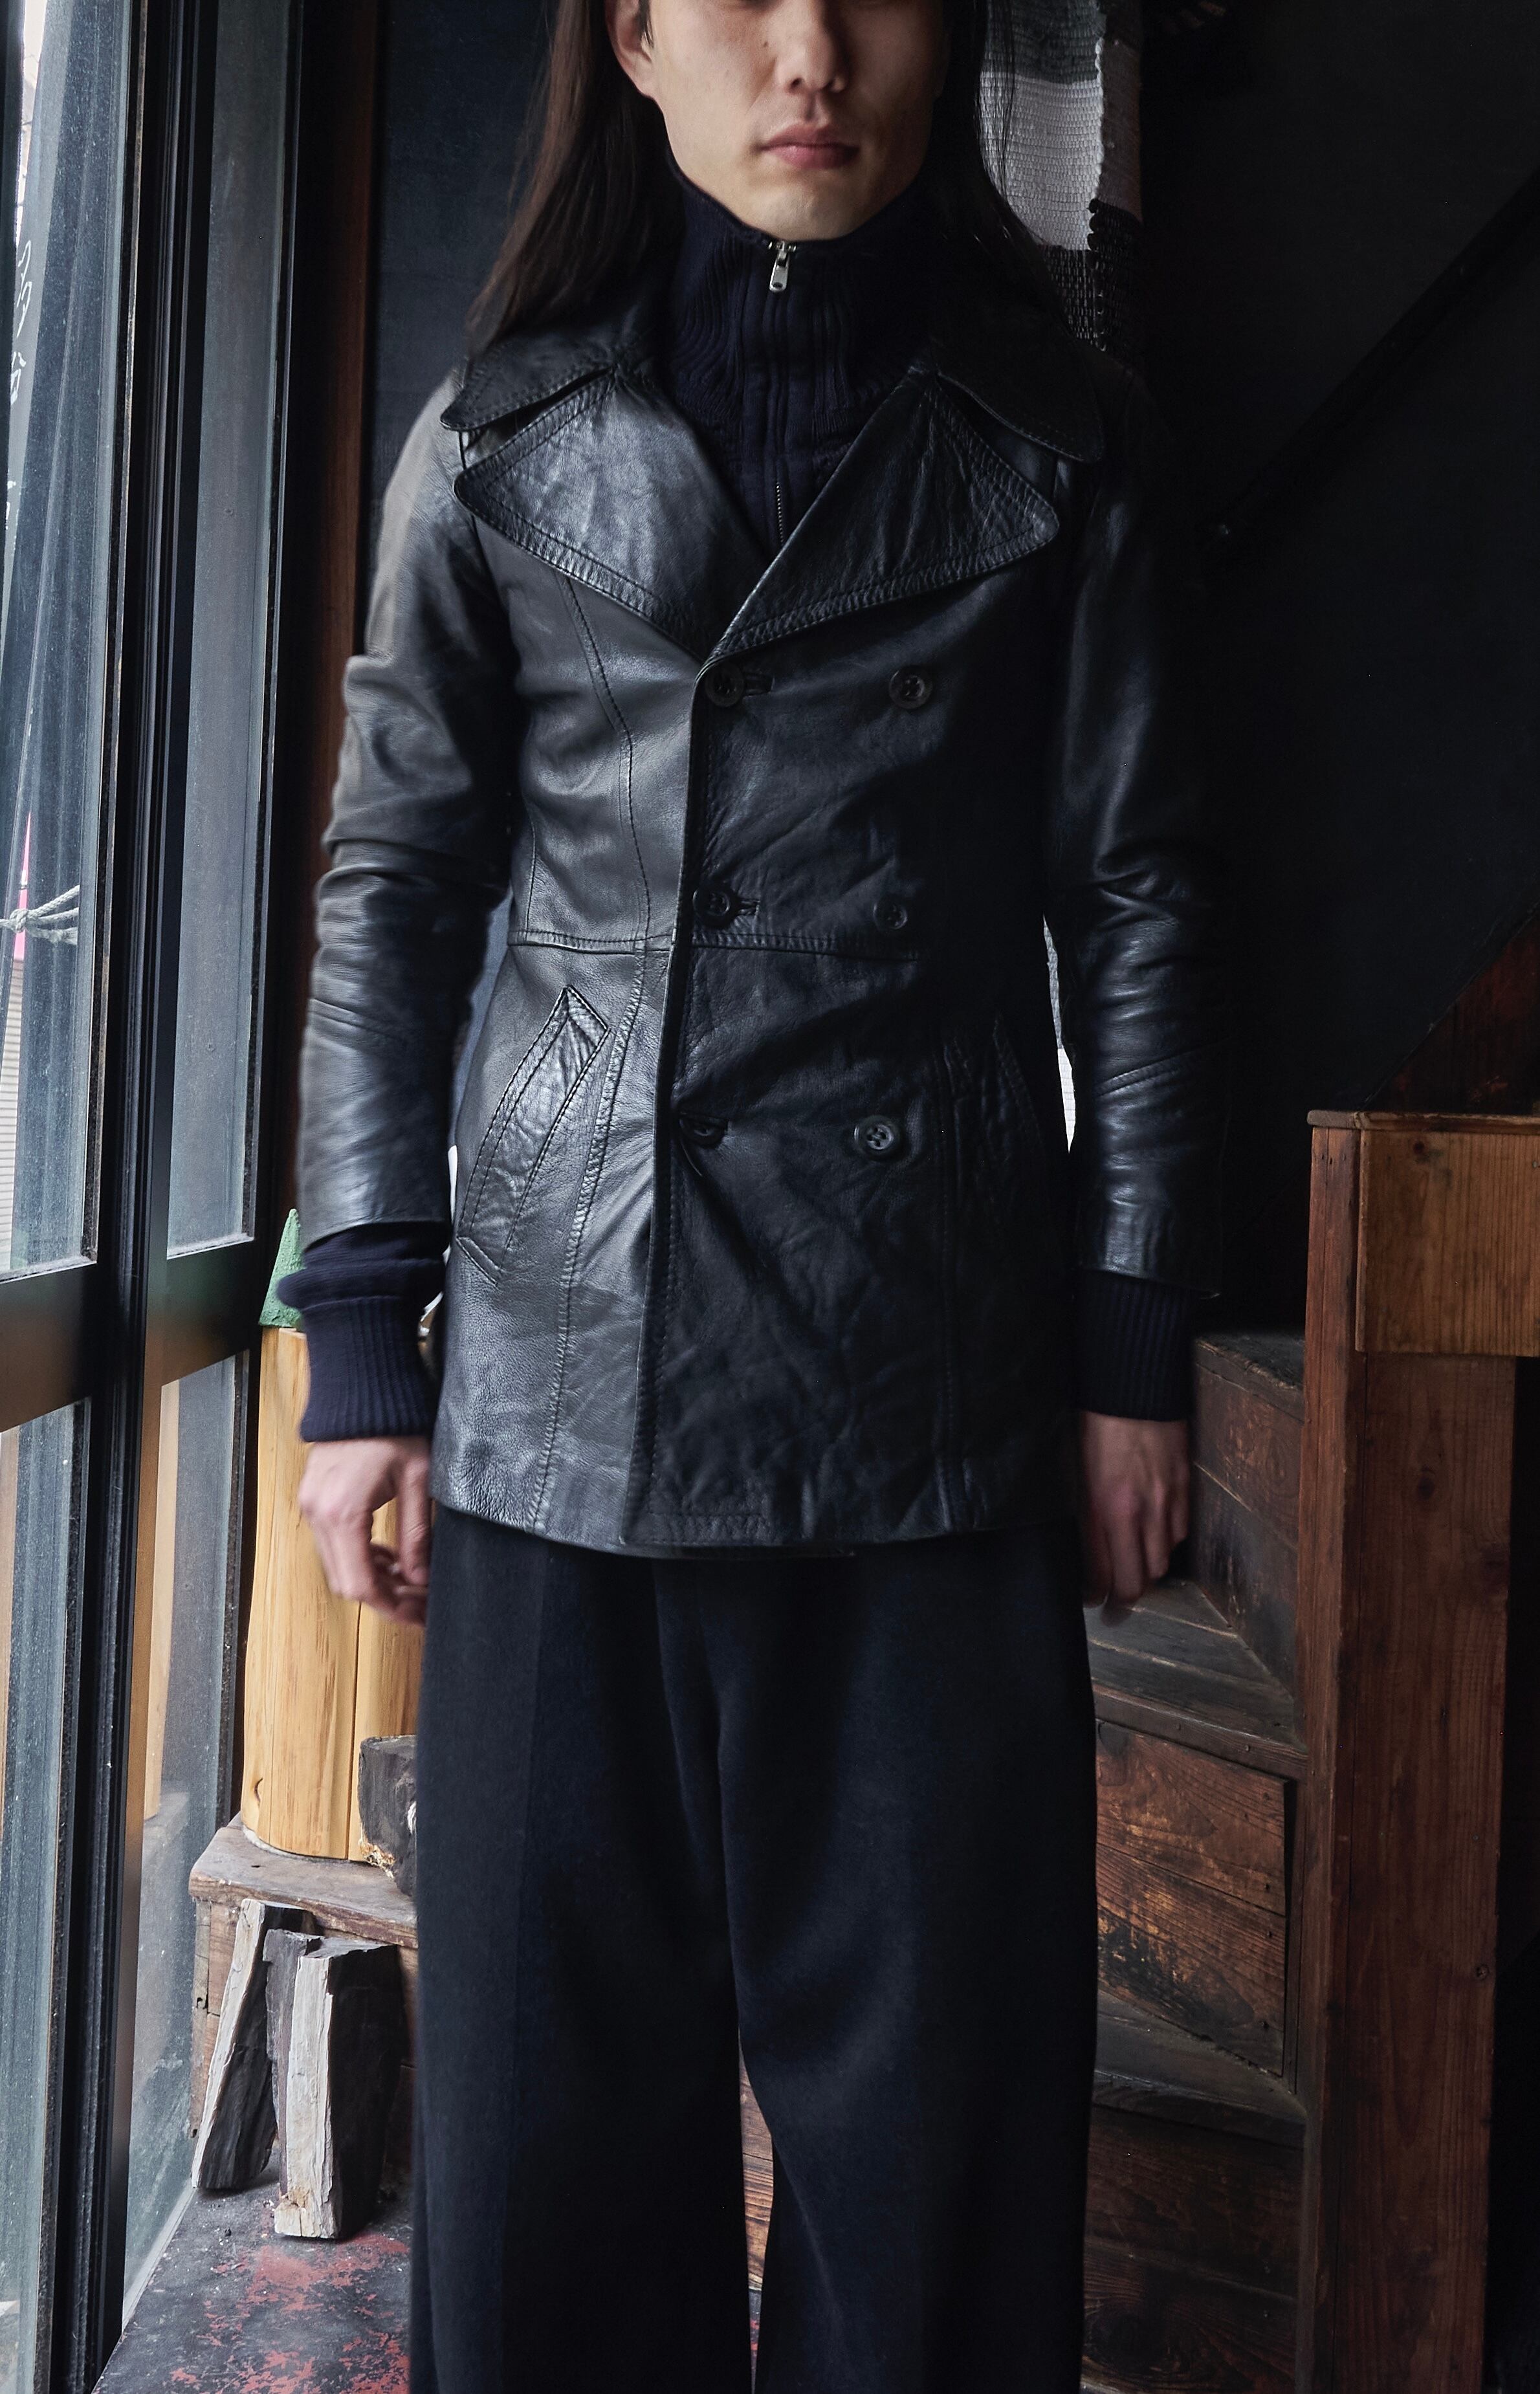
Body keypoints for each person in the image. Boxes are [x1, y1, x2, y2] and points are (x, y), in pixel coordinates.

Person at [279, 0, 1225, 2383]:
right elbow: (394, 890)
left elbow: (1137, 901)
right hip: (556, 1386)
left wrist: (1131, 1343)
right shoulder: (498, 439)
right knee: (543, 2178)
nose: (809, 50)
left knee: (935, 2186)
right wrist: (364, 1335)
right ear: (631, 38)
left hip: (929, 1392)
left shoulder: (1059, 440)